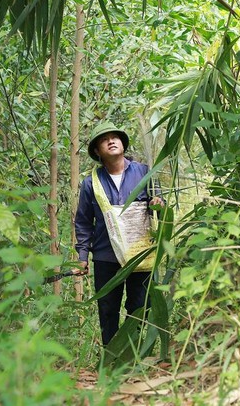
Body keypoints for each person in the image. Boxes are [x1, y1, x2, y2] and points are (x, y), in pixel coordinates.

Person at [73, 121, 164, 346]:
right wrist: (82, 257)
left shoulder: (144, 172)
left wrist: (159, 204)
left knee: (141, 306)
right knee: (107, 309)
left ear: (122, 143)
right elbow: (84, 222)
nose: (111, 141)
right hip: (106, 257)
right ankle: (111, 356)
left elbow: (160, 207)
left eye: (115, 137)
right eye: (104, 140)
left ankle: (134, 352)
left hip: (140, 255)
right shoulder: (90, 184)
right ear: (97, 151)